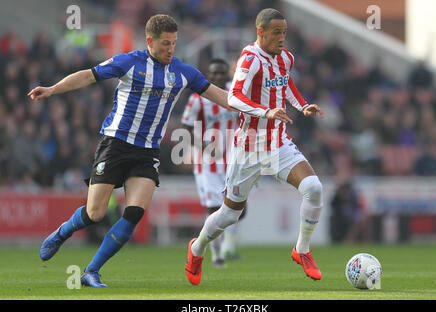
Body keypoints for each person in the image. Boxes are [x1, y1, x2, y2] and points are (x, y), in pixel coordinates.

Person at [28, 14, 288, 288]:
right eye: (165, 43)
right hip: (115, 144)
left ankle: (91, 271)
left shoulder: (183, 72)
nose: (170, 49)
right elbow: (88, 75)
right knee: (95, 213)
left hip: (147, 151)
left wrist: (262, 110)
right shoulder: (129, 61)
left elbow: (223, 96)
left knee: (134, 213)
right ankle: (62, 232)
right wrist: (53, 89)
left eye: (174, 43)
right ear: (150, 41)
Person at [185, 8, 324, 286]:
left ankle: (302, 250)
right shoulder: (250, 59)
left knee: (313, 188)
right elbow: (234, 98)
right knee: (229, 214)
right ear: (260, 32)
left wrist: (302, 105)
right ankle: (197, 249)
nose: (282, 38)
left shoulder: (286, 58)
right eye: (276, 33)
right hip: (249, 148)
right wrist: (265, 112)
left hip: (279, 143)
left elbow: (286, 85)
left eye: (284, 33)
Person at [181, 58, 245, 268]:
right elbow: (186, 128)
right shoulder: (197, 99)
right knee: (214, 208)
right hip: (207, 162)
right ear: (208, 75)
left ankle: (226, 244)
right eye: (214, 73)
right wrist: (205, 145)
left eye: (221, 73)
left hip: (234, 159)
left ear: (227, 74)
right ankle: (216, 253)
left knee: (240, 207)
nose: (218, 76)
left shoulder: (235, 94)